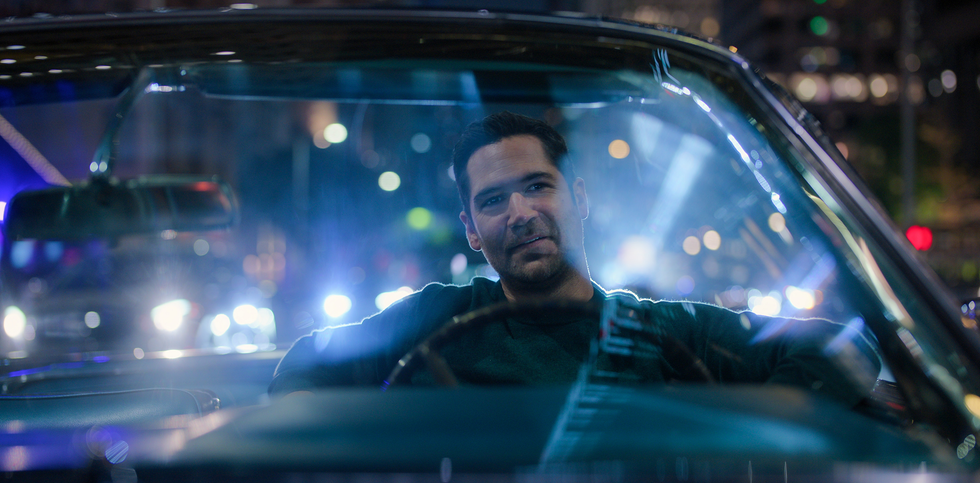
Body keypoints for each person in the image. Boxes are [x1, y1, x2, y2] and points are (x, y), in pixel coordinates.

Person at [269, 112, 880, 405]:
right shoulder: (434, 318)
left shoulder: (669, 330)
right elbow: (302, 368)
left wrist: (751, 425)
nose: (520, 212)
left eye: (538, 186)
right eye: (493, 200)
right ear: (473, 232)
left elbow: (844, 347)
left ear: (578, 198)